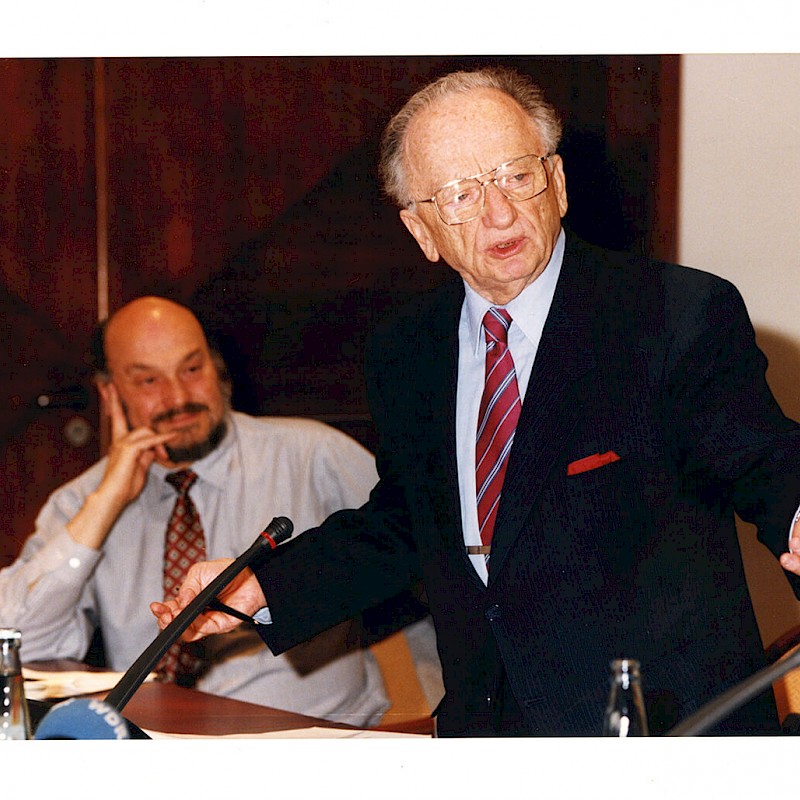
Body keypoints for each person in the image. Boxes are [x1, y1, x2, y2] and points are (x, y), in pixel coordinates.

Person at [152, 66, 800, 736]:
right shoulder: (408, 351)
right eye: (460, 194)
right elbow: (408, 521)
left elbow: (762, 461)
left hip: (657, 734)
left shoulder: (673, 313)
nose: (499, 211)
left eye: (517, 175)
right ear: (421, 231)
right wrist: (260, 586)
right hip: (487, 735)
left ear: (558, 183)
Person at [0, 295, 406, 728]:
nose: (178, 397)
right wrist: (102, 506)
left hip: (307, 746)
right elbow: (16, 643)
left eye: (192, 369)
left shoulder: (312, 454)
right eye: (148, 381)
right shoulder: (84, 499)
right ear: (110, 393)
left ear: (218, 369)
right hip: (151, 754)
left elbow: (425, 552)